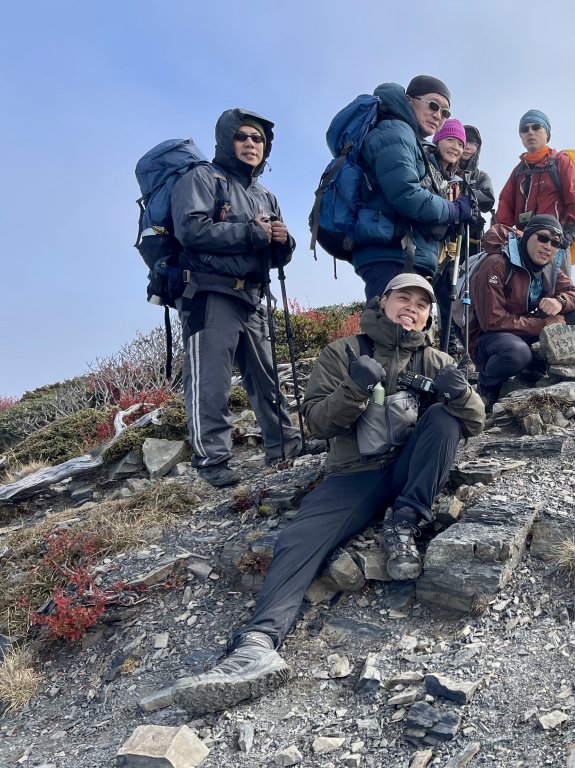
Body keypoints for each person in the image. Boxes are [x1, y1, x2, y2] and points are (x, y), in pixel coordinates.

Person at [170, 273, 486, 713]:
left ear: (430, 313)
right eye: (403, 298)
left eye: (421, 303)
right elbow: (316, 424)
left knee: (446, 421)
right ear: (383, 301)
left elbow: (474, 424)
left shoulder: (436, 361)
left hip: (412, 473)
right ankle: (258, 643)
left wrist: (463, 395)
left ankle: (404, 522)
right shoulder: (343, 352)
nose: (411, 308)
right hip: (353, 474)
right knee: (300, 538)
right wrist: (355, 387)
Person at [170, 108, 302, 488]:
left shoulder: (265, 195)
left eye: (258, 139)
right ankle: (212, 461)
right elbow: (190, 229)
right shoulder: (201, 178)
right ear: (227, 140)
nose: (250, 144)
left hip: (251, 297)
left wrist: (283, 242)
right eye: (242, 137)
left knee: (265, 376)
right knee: (211, 381)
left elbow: (273, 248)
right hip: (209, 293)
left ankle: (285, 445)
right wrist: (252, 233)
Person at [352, 75, 475, 301]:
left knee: (405, 333)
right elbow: (406, 195)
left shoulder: (407, 136)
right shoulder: (396, 133)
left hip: (403, 251)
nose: (438, 115)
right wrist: (454, 210)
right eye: (433, 105)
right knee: (391, 331)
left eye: (445, 112)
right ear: (409, 100)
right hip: (393, 253)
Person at [468, 215, 575, 408]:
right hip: (488, 339)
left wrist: (560, 301)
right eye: (542, 238)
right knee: (517, 353)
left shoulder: (549, 268)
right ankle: (487, 388)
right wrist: (542, 325)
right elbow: (491, 321)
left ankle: (554, 373)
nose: (548, 247)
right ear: (526, 237)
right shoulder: (496, 264)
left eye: (555, 243)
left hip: (523, 330)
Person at [495, 110, 575, 272]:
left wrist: (566, 238)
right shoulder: (518, 171)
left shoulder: (561, 162)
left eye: (536, 127)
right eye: (525, 129)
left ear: (547, 134)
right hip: (522, 247)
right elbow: (505, 208)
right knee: (518, 296)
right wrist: (498, 237)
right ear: (520, 136)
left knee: (555, 294)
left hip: (554, 245)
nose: (530, 132)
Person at [428, 118, 469, 357]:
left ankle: (446, 353)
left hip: (449, 250)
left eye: (460, 144)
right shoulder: (426, 167)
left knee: (447, 302)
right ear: (438, 140)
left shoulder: (457, 180)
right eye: (450, 139)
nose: (455, 147)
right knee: (420, 297)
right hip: (426, 248)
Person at [458, 125, 496, 246]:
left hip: (472, 236)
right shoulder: (443, 170)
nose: (468, 146)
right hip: (444, 230)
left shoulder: (482, 176)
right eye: (464, 140)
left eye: (473, 143)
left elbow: (488, 199)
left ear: (478, 148)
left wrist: (461, 195)